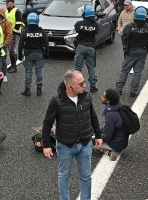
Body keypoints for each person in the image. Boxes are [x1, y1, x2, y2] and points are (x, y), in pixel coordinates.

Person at [41, 70, 102, 200]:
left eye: (84, 82)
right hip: (65, 146)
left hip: (85, 144)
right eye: (81, 84)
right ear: (70, 87)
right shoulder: (56, 101)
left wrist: (98, 135)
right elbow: (47, 124)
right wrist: (46, 145)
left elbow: (93, 116)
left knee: (86, 176)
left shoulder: (86, 96)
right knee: (64, 175)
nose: (85, 85)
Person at [116, 8, 148, 97]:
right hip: (143, 51)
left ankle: (119, 89)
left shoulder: (129, 26)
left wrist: (125, 47)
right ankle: (133, 91)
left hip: (131, 51)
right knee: (138, 72)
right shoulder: (147, 26)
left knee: (125, 70)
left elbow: (124, 37)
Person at [19, 13, 49, 96]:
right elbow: (46, 43)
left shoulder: (25, 31)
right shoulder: (42, 31)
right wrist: (46, 54)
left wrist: (19, 55)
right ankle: (39, 89)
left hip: (28, 54)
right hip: (39, 54)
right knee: (38, 71)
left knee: (28, 71)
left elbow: (20, 44)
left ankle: (27, 89)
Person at [74, 5, 99, 93]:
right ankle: (93, 86)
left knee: (78, 67)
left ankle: (76, 85)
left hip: (81, 46)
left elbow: (77, 30)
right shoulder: (95, 24)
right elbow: (96, 32)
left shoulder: (79, 23)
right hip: (91, 47)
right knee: (91, 67)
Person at [99, 89, 129, 161]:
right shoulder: (120, 107)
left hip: (115, 144)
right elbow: (108, 128)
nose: (101, 97)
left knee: (87, 142)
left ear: (108, 101)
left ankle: (109, 151)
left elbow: (107, 137)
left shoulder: (111, 115)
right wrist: (98, 132)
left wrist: (95, 138)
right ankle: (109, 151)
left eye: (103, 96)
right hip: (122, 142)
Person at [5, 0, 24, 74]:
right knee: (10, 50)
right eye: (6, 3)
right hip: (8, 33)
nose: (6, 4)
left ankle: (14, 67)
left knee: (12, 50)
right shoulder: (7, 11)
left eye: (7, 3)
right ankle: (12, 65)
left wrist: (14, 31)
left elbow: (19, 23)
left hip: (14, 34)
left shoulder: (16, 11)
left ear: (12, 3)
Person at [0, 7, 13, 84]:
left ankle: (4, 75)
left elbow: (9, 34)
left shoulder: (7, 22)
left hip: (3, 45)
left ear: (1, 14)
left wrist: (5, 44)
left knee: (3, 60)